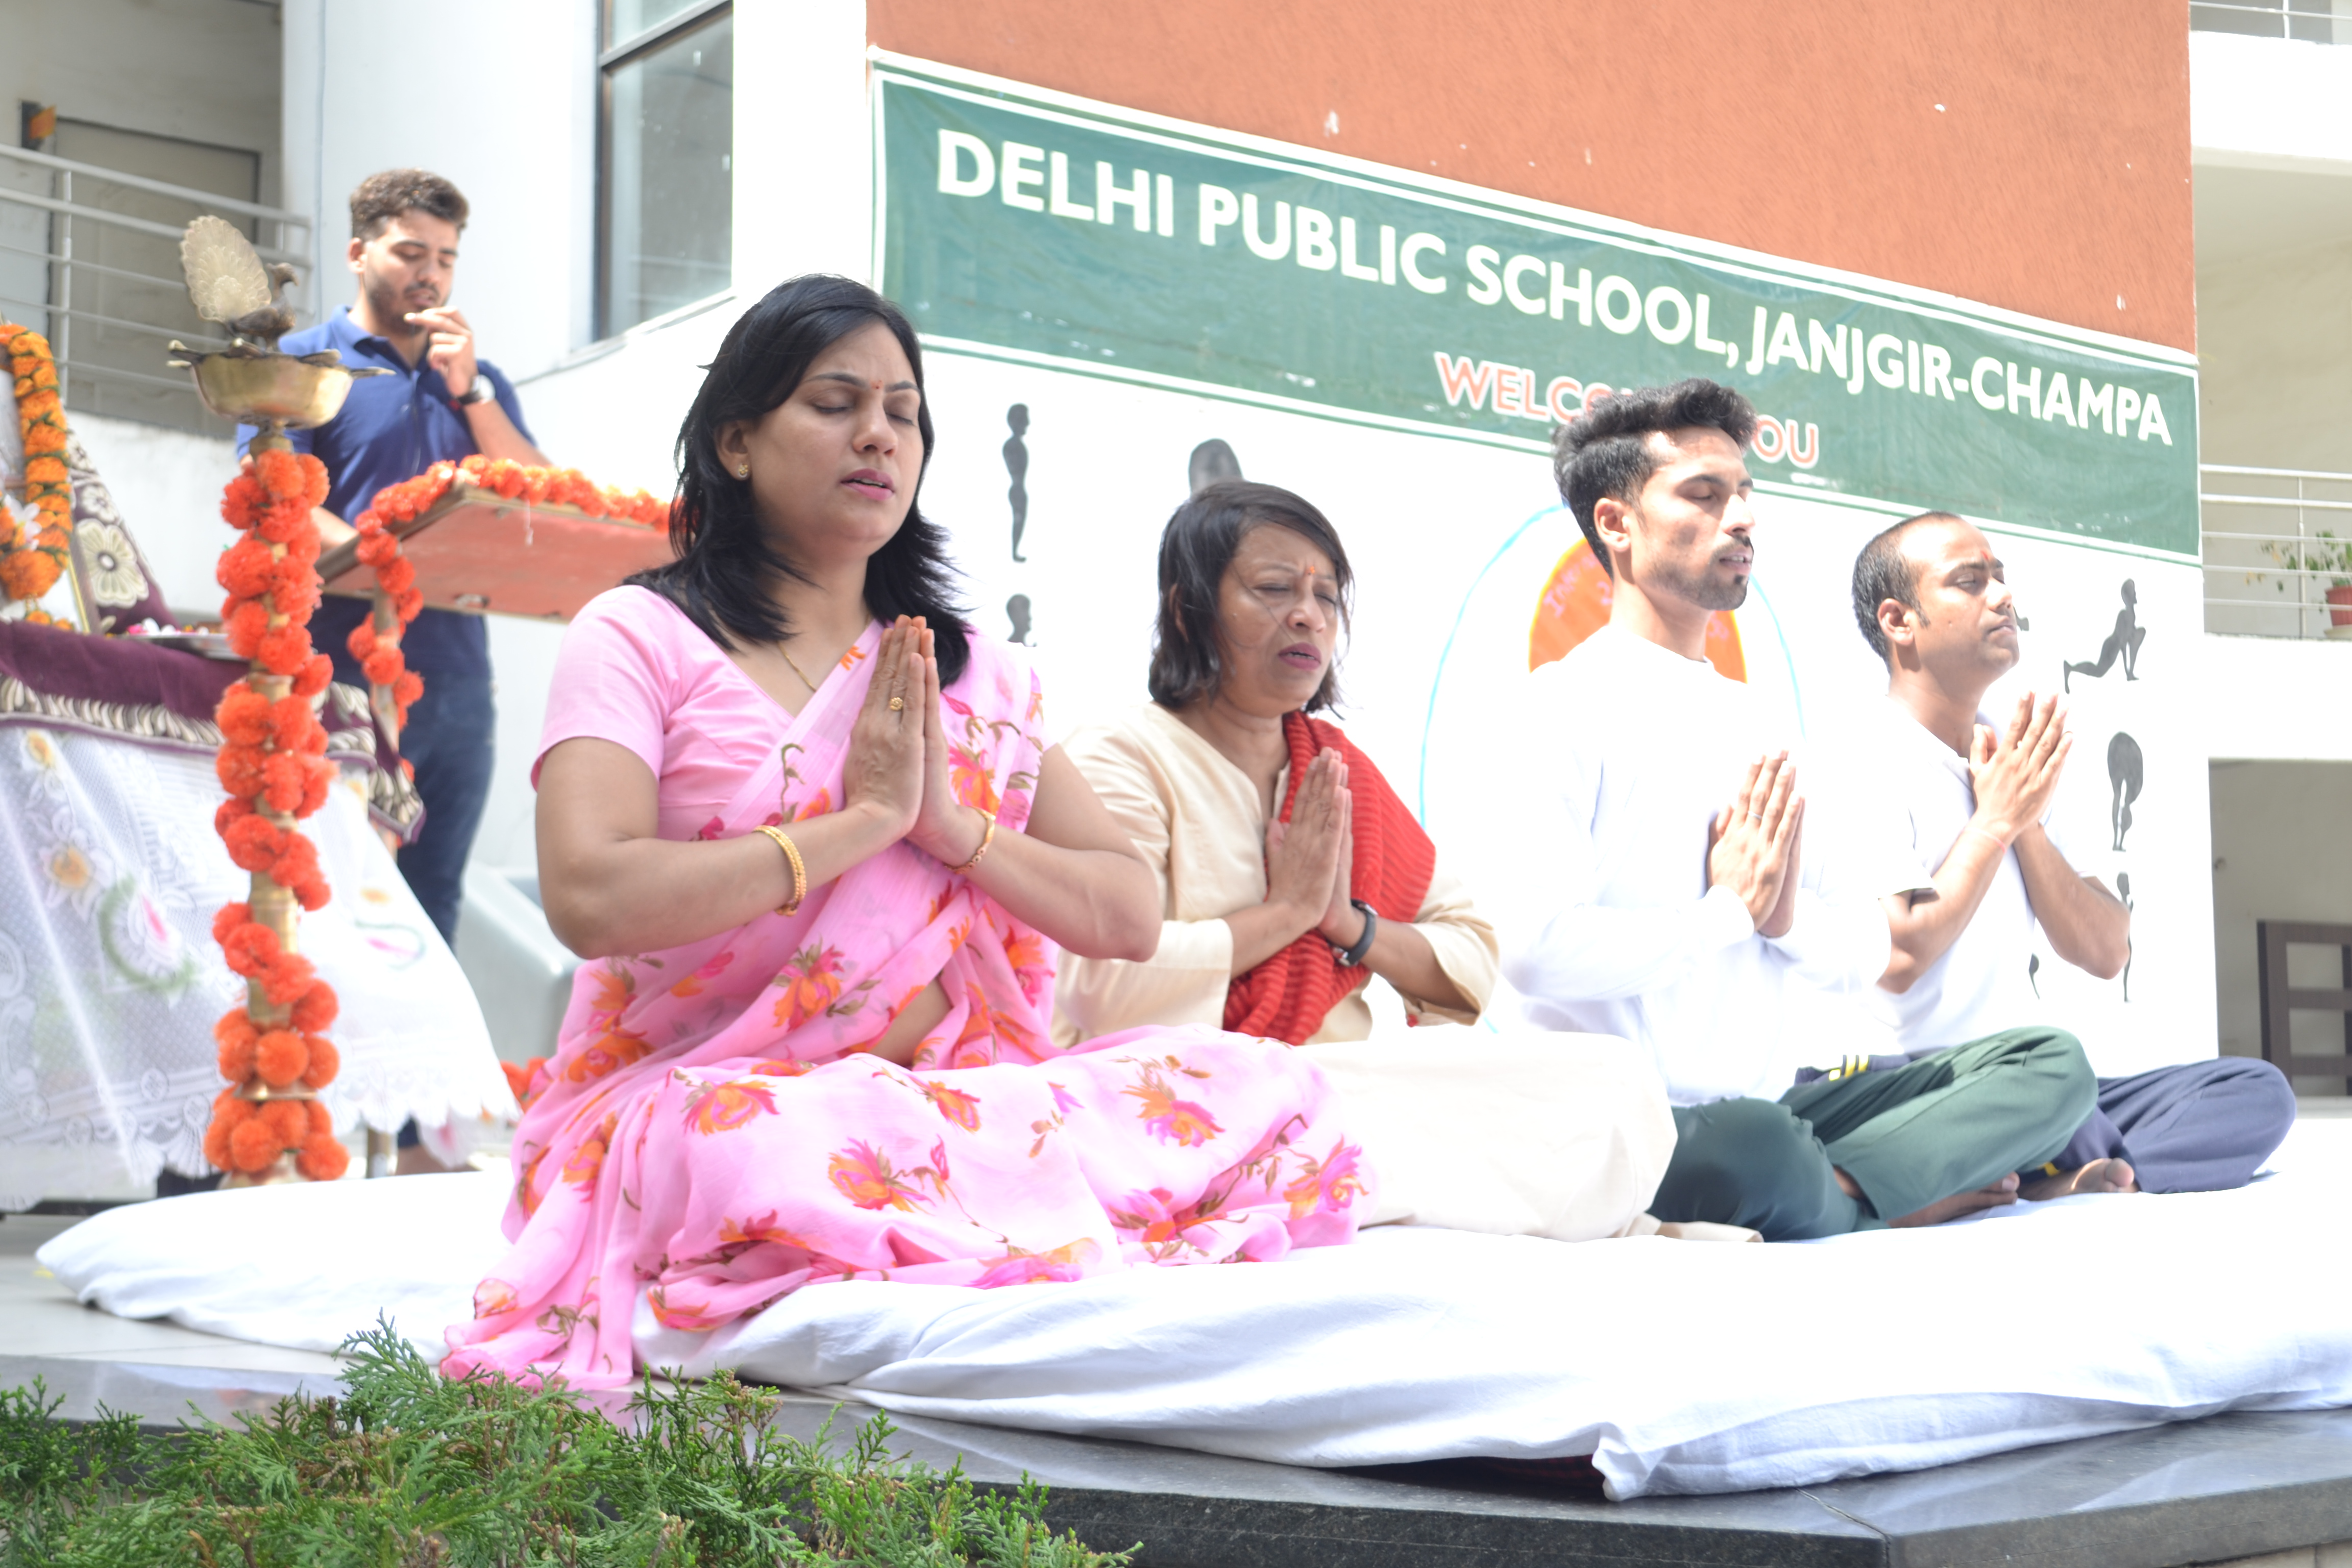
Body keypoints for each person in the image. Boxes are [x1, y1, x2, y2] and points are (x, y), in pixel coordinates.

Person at [445, 277, 1367, 1388]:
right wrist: (861, 825)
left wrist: (949, 826)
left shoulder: (966, 670)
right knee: (741, 1145)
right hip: (724, 1096)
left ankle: (961, 1209)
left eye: (903, 410)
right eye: (835, 403)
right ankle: (989, 1218)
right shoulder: (641, 636)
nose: (879, 434)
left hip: (960, 1095)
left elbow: (1124, 913)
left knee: (1264, 1086)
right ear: (737, 441)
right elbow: (592, 897)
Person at [1496, 379, 2096, 1242]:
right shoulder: (1558, 709)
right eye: (1704, 495)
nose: (1740, 518)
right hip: (1627, 1127)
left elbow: (1867, 949)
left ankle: (1848, 1189)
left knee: (2050, 1066)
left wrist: (1779, 923)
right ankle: (1877, 1194)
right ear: (1617, 524)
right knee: (1758, 1146)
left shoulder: (1760, 721)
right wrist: (1723, 916)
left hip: (1775, 1111)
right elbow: (1534, 956)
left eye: (1744, 495)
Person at [1057, 481, 1675, 1242]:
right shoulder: (1119, 754)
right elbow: (1103, 983)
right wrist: (1282, 917)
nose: (1308, 615)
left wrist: (1346, 923)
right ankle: (1321, 1187)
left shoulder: (1337, 771)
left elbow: (1472, 951)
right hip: (1181, 1092)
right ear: (1191, 611)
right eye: (1275, 589)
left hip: (1333, 1087)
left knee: (1610, 1085)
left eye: (1327, 596)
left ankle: (1331, 1184)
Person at [1828, 511, 2292, 1194]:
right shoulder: (1861, 758)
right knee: (2054, 1078)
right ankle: (2051, 1161)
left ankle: (2056, 1169)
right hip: (1905, 1083)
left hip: (2022, 1082)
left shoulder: (2015, 761)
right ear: (1899, 620)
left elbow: (2106, 952)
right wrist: (1995, 821)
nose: (2002, 596)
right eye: (1969, 582)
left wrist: (2026, 824)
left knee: (2256, 1090)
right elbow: (1899, 957)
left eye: (2001, 577)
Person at [241, 169, 549, 948]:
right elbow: (278, 500)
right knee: (335, 891)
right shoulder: (301, 362)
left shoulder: (478, 379)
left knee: (434, 898)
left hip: (456, 677)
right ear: (357, 251)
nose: (431, 273)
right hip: (336, 672)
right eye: (412, 251)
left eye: (445, 259)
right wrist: (385, 566)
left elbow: (535, 496)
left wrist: (471, 388)